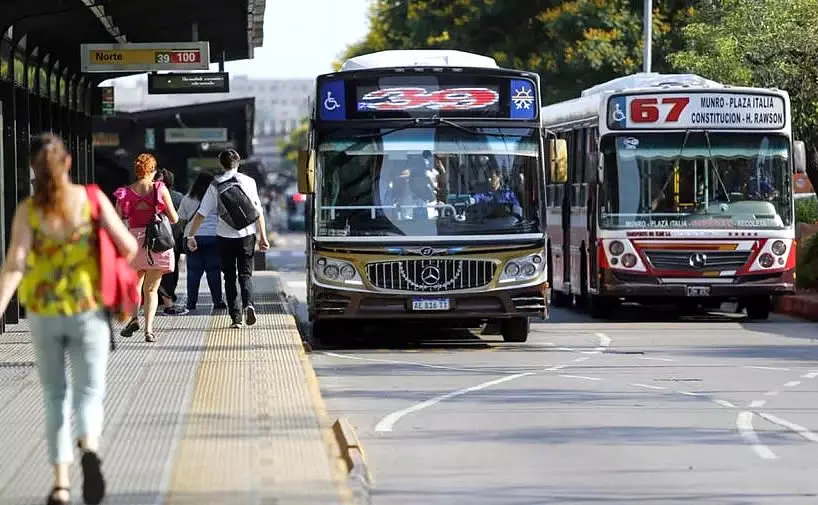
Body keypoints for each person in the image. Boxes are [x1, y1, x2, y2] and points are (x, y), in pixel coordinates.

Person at [0, 133, 138, 505]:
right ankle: (89, 448)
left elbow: (15, 264)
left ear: (32, 168)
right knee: (89, 392)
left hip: (44, 313)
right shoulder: (91, 199)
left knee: (54, 396)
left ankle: (60, 485)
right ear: (68, 163)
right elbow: (128, 247)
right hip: (87, 310)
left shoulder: (29, 209)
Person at [186, 150, 270, 328]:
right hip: (247, 234)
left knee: (230, 277)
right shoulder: (249, 181)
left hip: (224, 236)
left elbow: (201, 214)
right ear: (238, 163)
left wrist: (191, 235)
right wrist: (263, 236)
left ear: (221, 164)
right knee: (245, 275)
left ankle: (236, 319)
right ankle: (249, 304)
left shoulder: (215, 184)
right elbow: (257, 211)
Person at [114, 153, 179, 342]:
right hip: (156, 241)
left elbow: (117, 220)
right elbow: (174, 219)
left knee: (135, 285)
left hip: (134, 242)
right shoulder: (159, 188)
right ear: (152, 170)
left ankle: (134, 318)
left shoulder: (125, 192)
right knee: (151, 289)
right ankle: (148, 330)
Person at [177, 172, 227, 311]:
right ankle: (218, 302)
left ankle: (191, 303)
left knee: (193, 271)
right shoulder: (216, 197)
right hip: (213, 237)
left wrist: (185, 233)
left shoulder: (187, 198)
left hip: (192, 237)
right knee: (213, 270)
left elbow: (180, 220)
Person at [154, 168, 187, 315]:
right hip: (173, 237)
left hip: (156, 236)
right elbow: (179, 218)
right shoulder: (178, 197)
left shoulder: (151, 195)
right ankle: (168, 295)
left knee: (156, 268)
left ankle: (161, 296)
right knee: (171, 269)